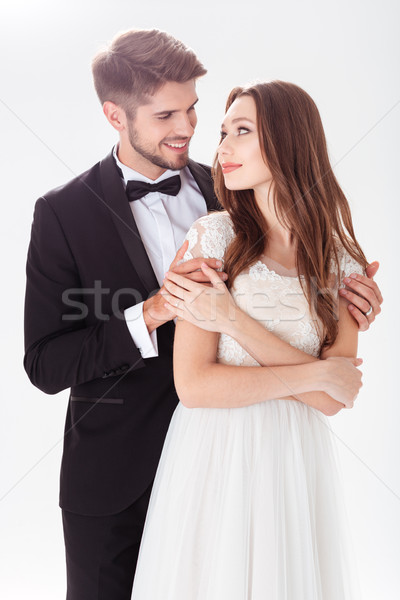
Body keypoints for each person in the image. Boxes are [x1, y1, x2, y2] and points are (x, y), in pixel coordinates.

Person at [23, 28, 382, 600]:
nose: (189, 130)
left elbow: (289, 285)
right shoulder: (62, 213)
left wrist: (340, 306)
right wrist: (155, 311)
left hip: (238, 469)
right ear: (116, 116)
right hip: (117, 475)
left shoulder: (233, 189)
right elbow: (45, 362)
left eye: (194, 109)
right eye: (167, 115)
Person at [130, 81, 374, 600]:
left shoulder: (343, 262)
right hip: (216, 456)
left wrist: (234, 322)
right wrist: (316, 374)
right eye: (222, 133)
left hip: (294, 459)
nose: (221, 148)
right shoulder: (211, 237)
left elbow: (336, 398)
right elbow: (194, 386)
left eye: (241, 132)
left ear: (289, 141)